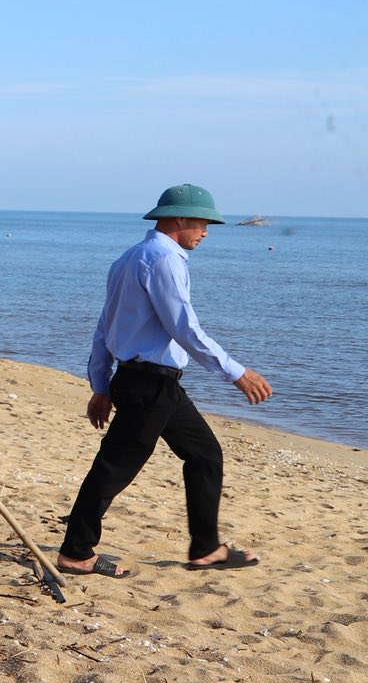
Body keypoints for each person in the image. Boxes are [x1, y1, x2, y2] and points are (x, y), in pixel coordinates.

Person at [58, 184, 273, 578]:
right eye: (203, 223)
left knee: (205, 454)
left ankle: (206, 549)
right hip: (149, 385)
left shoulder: (129, 258)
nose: (206, 232)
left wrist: (101, 386)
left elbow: (105, 327)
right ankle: (75, 552)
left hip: (154, 384)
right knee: (114, 467)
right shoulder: (163, 259)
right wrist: (236, 372)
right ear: (179, 218)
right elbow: (184, 327)